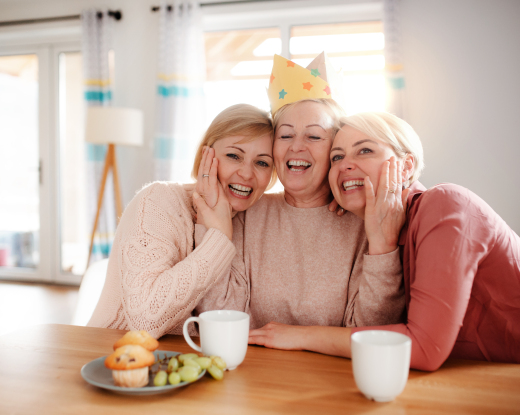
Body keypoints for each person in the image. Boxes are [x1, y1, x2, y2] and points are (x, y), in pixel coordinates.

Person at [250, 111, 520, 371]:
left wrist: (300, 337)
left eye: (365, 150)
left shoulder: (445, 205)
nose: (345, 164)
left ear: (406, 166)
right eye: (337, 157)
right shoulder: (375, 225)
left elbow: (424, 348)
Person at [197, 98, 407, 329]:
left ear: (333, 151)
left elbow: (370, 330)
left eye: (314, 136)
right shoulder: (245, 213)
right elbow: (221, 320)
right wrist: (213, 232)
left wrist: (382, 249)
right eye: (285, 136)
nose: (296, 147)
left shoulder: (365, 222)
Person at [87, 104, 276, 338]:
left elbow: (227, 322)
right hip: (111, 355)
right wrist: (218, 237)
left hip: (184, 365)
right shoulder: (157, 201)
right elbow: (144, 319)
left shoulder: (251, 219)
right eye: (234, 156)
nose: (247, 174)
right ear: (205, 155)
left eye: (262, 163)